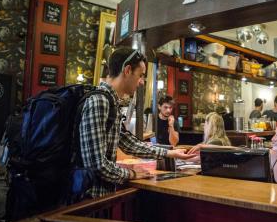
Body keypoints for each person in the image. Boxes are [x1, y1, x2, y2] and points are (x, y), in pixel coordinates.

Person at [78, 47, 196, 198]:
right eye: (140, 75)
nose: (141, 82)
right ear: (127, 70)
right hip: (87, 200)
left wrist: (169, 152)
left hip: (99, 196)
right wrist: (131, 173)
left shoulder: (110, 101)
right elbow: (96, 165)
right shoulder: (100, 101)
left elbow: (128, 143)